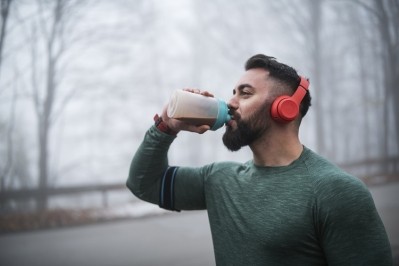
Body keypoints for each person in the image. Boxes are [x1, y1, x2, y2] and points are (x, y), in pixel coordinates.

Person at [127, 54, 393, 265]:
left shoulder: (337, 192)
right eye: (233, 92)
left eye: (245, 93)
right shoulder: (218, 180)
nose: (230, 103)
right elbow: (145, 184)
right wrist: (166, 126)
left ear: (284, 109)